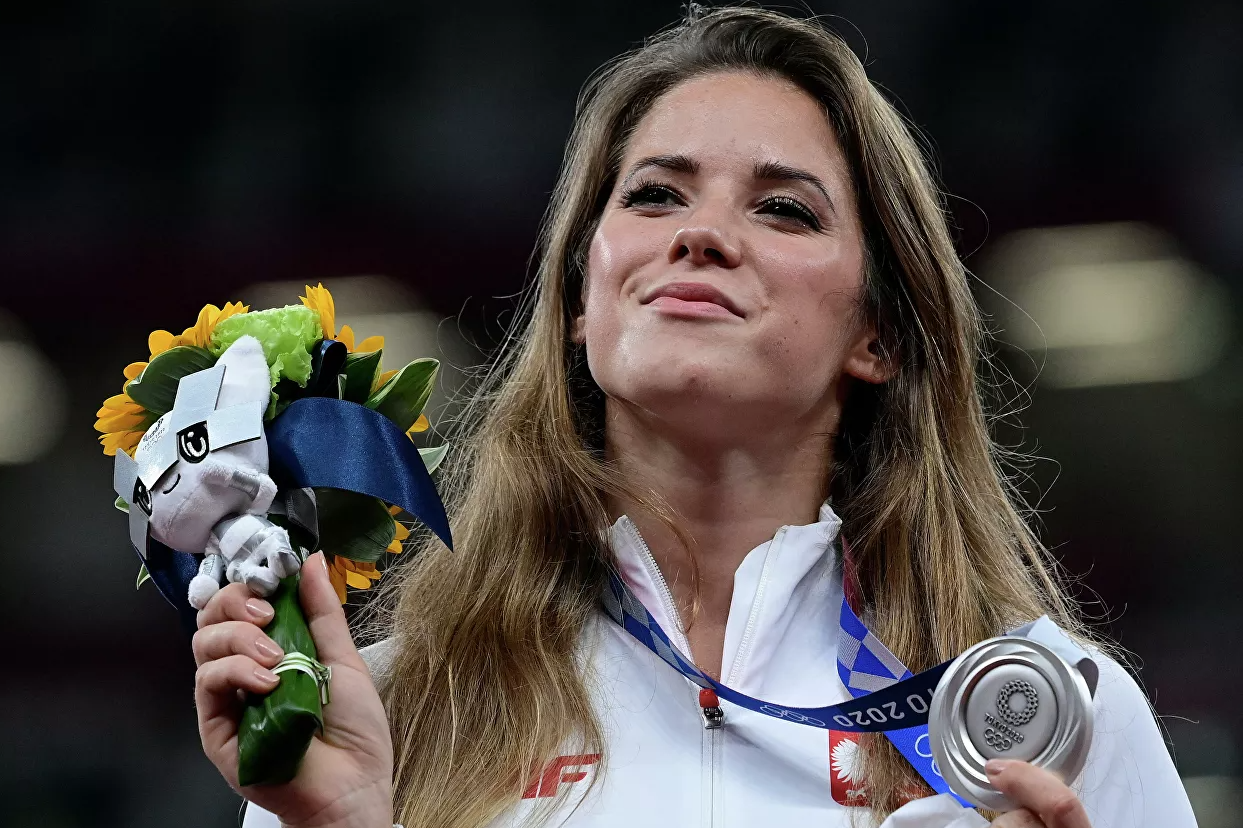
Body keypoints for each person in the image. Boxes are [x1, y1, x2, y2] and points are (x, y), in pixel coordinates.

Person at [191, 7, 1197, 828]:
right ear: (580, 299)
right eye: (655, 195)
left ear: (878, 334)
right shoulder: (390, 710)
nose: (702, 234)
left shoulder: (1046, 717)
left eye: (784, 208)